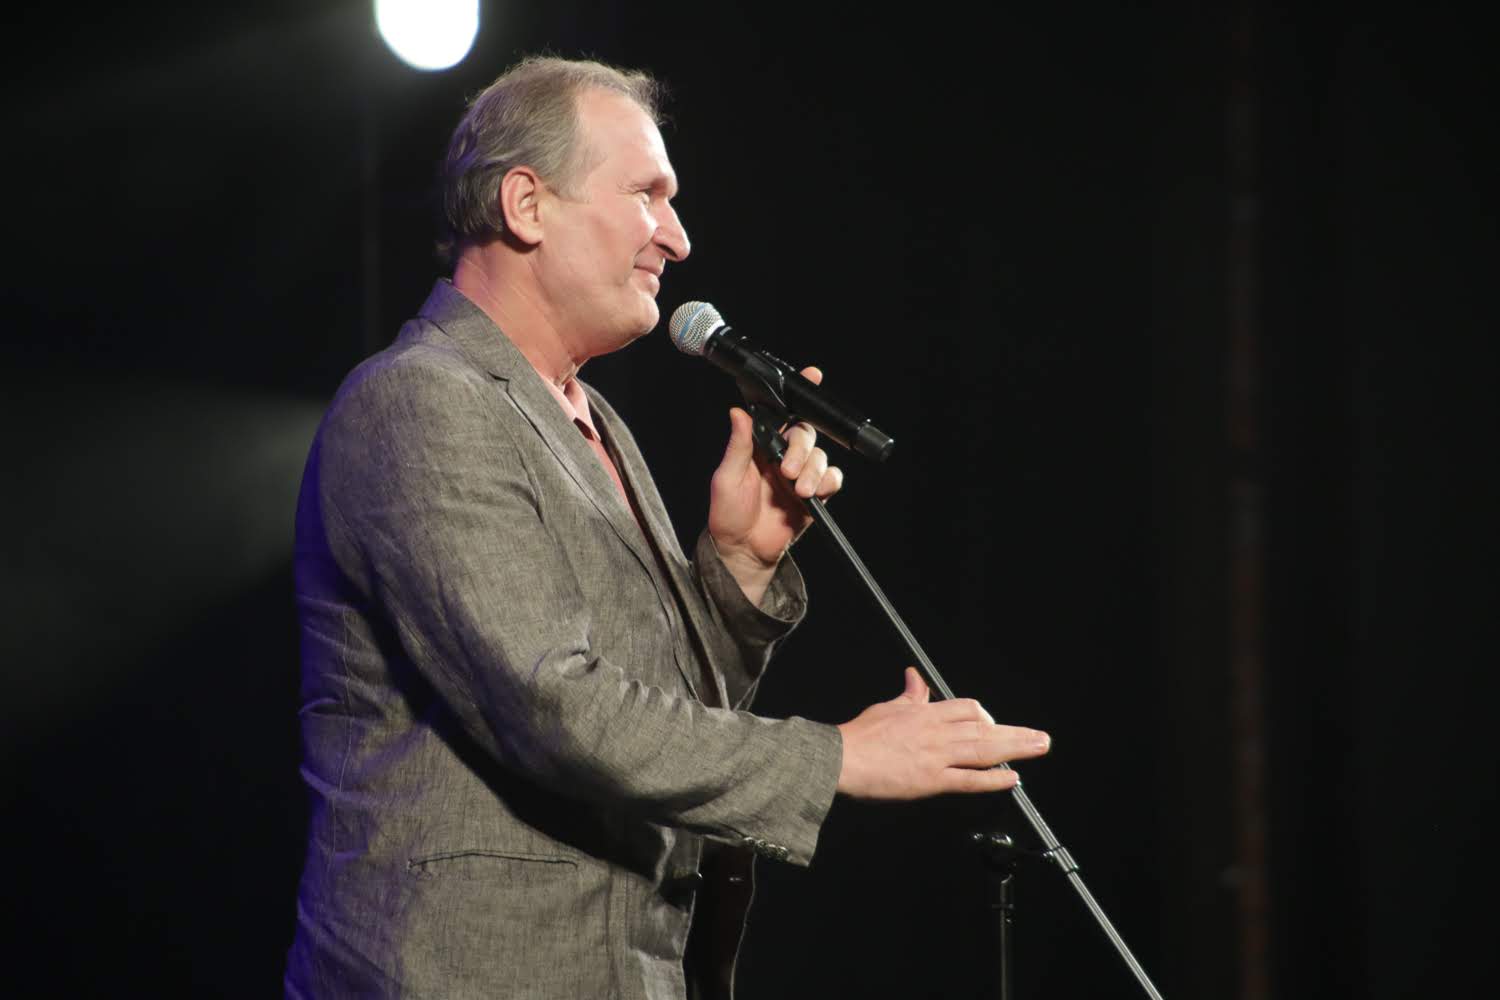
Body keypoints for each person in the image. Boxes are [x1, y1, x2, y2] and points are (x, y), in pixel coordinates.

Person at [285, 56, 1051, 1000]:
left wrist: (736, 567)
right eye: (647, 194)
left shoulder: (598, 423)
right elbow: (553, 708)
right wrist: (840, 757)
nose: (678, 239)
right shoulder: (418, 402)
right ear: (526, 205)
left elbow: (658, 712)